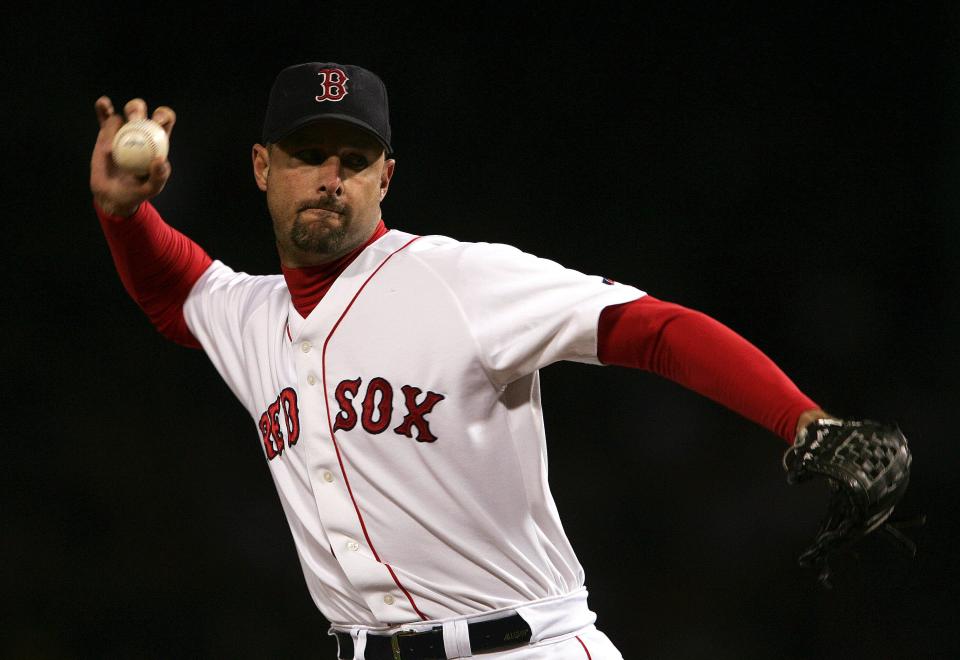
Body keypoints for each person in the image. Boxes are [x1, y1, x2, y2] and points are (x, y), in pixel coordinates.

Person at [89, 62, 895, 659]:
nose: (331, 178)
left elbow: (650, 328)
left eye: (355, 158)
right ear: (263, 167)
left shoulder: (458, 279)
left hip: (524, 647)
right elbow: (177, 291)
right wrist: (123, 212)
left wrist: (802, 419)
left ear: (386, 178)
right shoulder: (252, 317)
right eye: (308, 153)